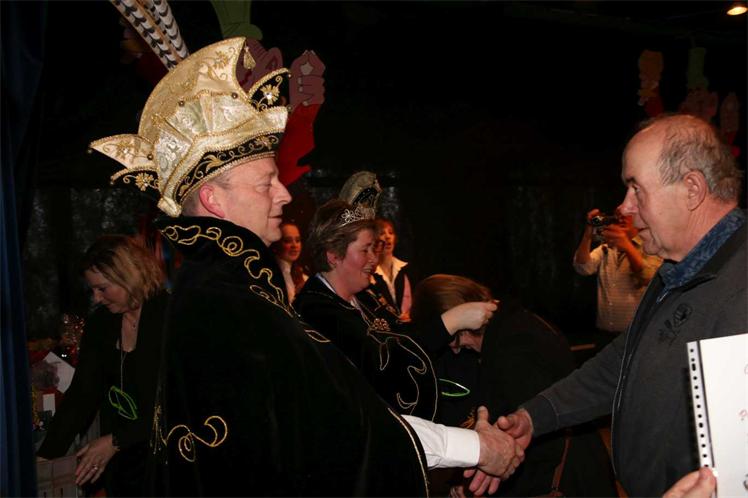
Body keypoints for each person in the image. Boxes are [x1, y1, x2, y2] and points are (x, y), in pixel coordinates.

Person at [90, 37, 522, 496]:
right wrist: (476, 447)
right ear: (214, 200)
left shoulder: (220, 285)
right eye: (266, 183)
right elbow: (340, 424)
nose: (284, 195)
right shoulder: (229, 300)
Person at [498, 113, 746, 496]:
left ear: (692, 189)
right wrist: (535, 416)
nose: (625, 207)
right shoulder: (676, 271)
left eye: (636, 188)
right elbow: (624, 362)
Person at [412, 274, 616, 497]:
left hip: (567, 480)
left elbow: (538, 442)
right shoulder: (510, 325)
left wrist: (480, 479)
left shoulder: (512, 348)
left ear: (461, 324)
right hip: (571, 469)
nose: (454, 349)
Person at [294, 199, 497, 420]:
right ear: (334, 256)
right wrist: (451, 322)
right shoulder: (315, 309)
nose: (374, 258)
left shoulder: (366, 296)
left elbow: (404, 337)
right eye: (365, 250)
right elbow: (381, 365)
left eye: (374, 248)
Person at [36, 235, 167, 496]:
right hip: (124, 467)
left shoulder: (172, 317)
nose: (96, 298)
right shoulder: (101, 323)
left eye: (102, 288)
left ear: (129, 276)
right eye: (93, 290)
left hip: (167, 462)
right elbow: (82, 394)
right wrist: (46, 455)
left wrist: (117, 440)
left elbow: (181, 403)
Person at [573, 206, 662, 348]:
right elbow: (583, 268)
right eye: (617, 215)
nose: (621, 217)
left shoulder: (649, 247)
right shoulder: (606, 248)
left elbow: (648, 277)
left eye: (627, 214)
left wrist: (627, 246)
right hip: (604, 337)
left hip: (635, 336)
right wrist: (588, 234)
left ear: (640, 218)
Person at [373, 218, 413, 319]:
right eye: (382, 233)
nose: (387, 237)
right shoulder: (371, 274)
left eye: (390, 233)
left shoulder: (406, 269)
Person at [269, 221, 308, 303]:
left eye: (297, 240)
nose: (294, 245)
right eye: (287, 241)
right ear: (276, 244)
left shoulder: (303, 276)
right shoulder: (270, 275)